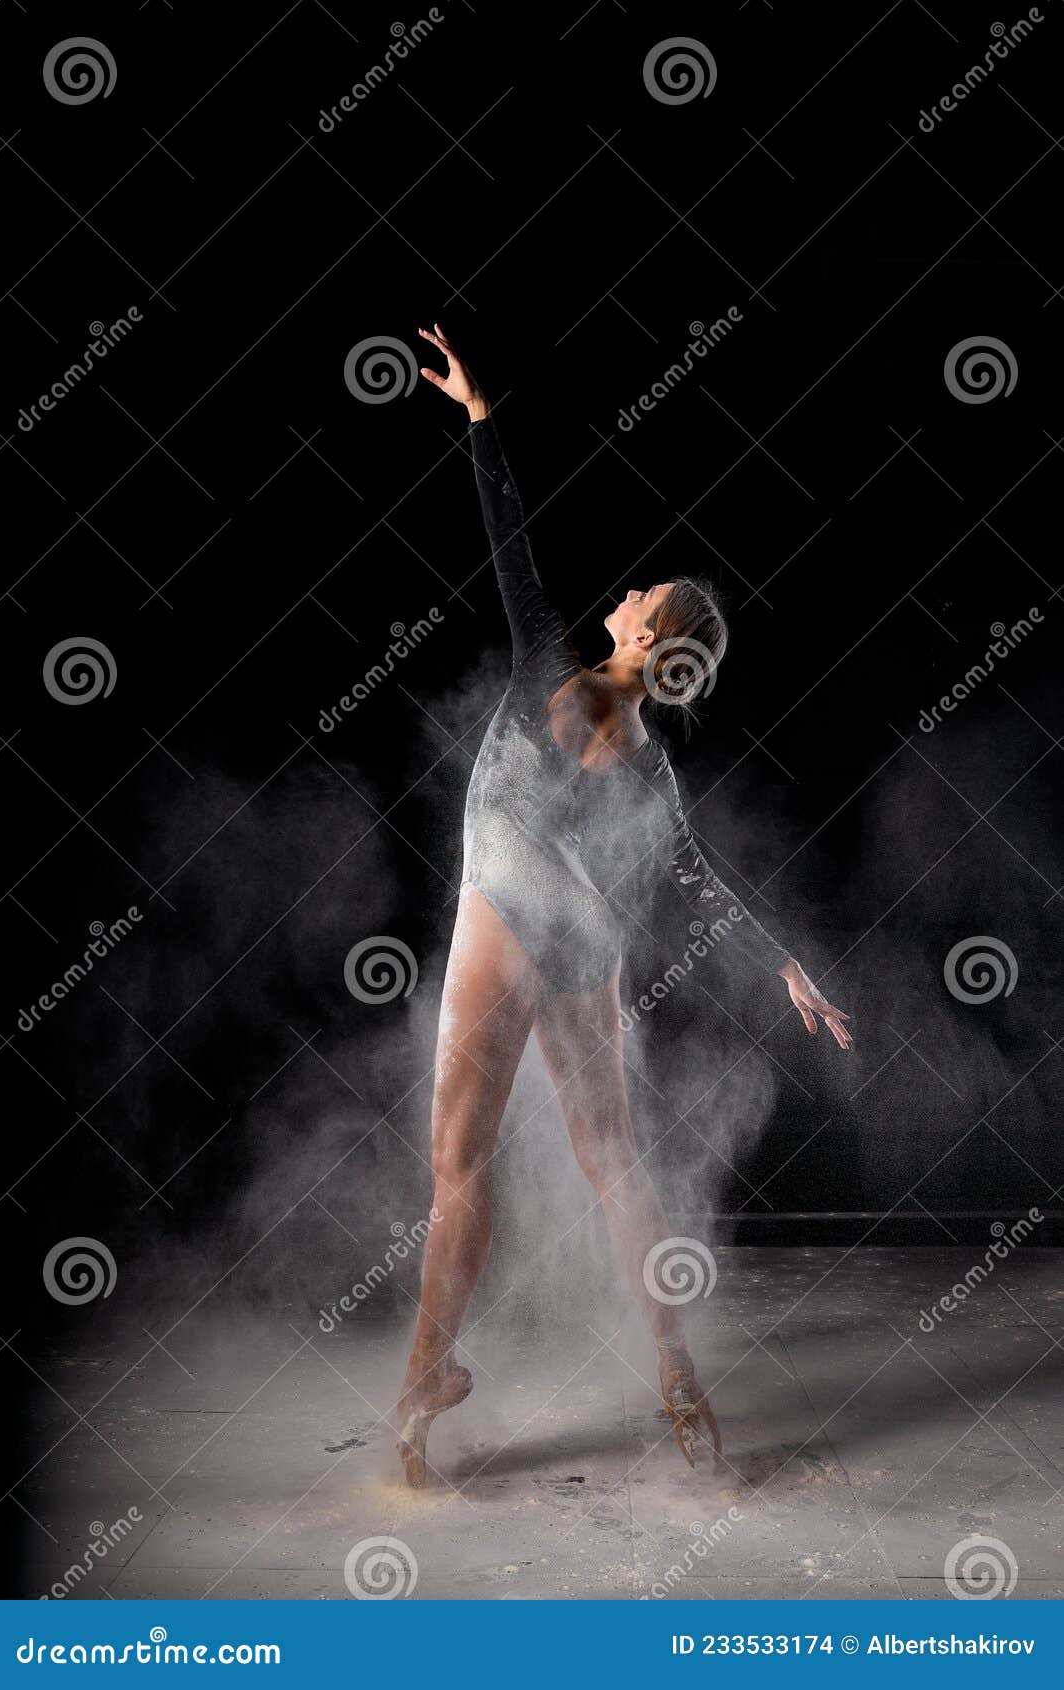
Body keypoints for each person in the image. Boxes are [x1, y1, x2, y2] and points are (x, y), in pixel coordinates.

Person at [395, 327, 851, 1487]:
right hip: (578, 945)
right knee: (617, 1166)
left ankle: (418, 1392)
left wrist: (482, 417)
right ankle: (676, 1377)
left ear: (645, 637)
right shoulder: (648, 764)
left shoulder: (550, 656)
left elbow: (509, 546)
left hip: (505, 913)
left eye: (645, 590)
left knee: (459, 1165)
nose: (631, 585)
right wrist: (788, 966)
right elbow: (699, 878)